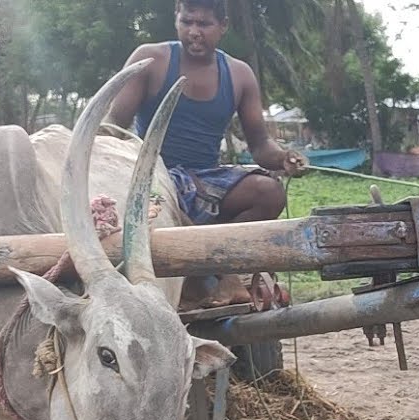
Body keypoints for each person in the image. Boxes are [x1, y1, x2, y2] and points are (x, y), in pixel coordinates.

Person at [106, 0, 308, 308]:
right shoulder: (151, 59)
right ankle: (212, 275)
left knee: (269, 193)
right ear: (176, 19)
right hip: (153, 176)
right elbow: (113, 128)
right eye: (187, 22)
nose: (194, 32)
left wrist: (283, 159)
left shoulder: (239, 75)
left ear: (223, 26)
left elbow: (259, 144)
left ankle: (210, 269)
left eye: (204, 24)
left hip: (205, 179)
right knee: (164, 198)